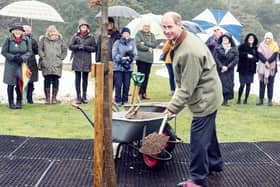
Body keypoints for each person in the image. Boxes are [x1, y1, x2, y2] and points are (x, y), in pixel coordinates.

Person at [162, 12, 224, 187]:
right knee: (208, 133)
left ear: (180, 25)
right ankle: (215, 163)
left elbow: (187, 87)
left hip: (205, 98)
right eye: (164, 27)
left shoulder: (189, 51)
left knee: (198, 139)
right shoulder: (180, 41)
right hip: (209, 93)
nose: (166, 31)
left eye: (170, 27)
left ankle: (198, 179)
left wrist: (172, 108)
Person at [1, 23, 32, 109]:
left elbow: (29, 52)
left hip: (21, 64)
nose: (17, 32)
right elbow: (4, 52)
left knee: (20, 83)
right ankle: (11, 103)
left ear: (22, 32)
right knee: (10, 84)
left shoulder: (26, 40)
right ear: (13, 31)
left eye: (19, 30)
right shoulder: (8, 39)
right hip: (11, 64)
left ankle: (19, 102)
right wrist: (13, 57)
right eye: (16, 30)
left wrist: (22, 58)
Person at [69, 18, 96, 104]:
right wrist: (78, 46)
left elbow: (94, 48)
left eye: (85, 27)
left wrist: (85, 47)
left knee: (85, 79)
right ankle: (78, 96)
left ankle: (84, 96)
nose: (83, 28)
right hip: (77, 59)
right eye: (82, 27)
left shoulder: (91, 37)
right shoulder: (75, 36)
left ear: (87, 28)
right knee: (77, 79)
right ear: (80, 28)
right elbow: (70, 46)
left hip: (86, 60)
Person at [38, 25, 67, 104]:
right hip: (46, 63)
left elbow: (65, 49)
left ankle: (54, 98)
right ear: (48, 32)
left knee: (55, 80)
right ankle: (47, 98)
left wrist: (61, 58)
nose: (52, 33)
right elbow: (40, 49)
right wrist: (43, 57)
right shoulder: (43, 39)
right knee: (47, 80)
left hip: (56, 63)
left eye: (54, 31)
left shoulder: (60, 40)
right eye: (50, 31)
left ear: (56, 32)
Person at [112, 27, 137, 106]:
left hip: (128, 67)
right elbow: (114, 54)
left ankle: (125, 100)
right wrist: (122, 59)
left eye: (127, 33)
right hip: (118, 67)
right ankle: (118, 100)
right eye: (124, 33)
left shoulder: (132, 43)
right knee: (118, 84)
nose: (126, 34)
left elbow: (135, 54)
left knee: (127, 84)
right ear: (122, 34)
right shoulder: (117, 42)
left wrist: (129, 59)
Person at [213, 33, 239, 106]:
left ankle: (226, 100)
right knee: (219, 84)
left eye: (226, 39)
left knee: (228, 85)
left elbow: (236, 59)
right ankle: (218, 100)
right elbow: (215, 58)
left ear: (229, 40)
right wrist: (221, 66)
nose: (225, 40)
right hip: (219, 69)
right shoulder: (217, 48)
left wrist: (228, 67)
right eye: (223, 39)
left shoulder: (234, 49)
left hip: (229, 70)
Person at [135, 22, 157, 99]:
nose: (146, 28)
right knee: (140, 76)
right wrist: (148, 48)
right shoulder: (139, 34)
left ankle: (144, 92)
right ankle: (139, 93)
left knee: (146, 76)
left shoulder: (152, 35)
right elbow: (138, 45)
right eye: (145, 26)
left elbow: (154, 44)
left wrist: (145, 43)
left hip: (149, 59)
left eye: (148, 26)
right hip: (141, 59)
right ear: (142, 26)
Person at [256, 32, 279, 106]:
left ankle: (270, 100)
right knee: (262, 84)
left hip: (272, 68)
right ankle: (261, 100)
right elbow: (260, 55)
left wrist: (268, 62)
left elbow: (275, 55)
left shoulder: (275, 45)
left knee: (270, 84)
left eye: (269, 38)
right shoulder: (261, 45)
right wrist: (265, 62)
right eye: (266, 38)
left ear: (271, 38)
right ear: (264, 38)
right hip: (262, 68)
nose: (267, 39)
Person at [237, 33, 259, 104]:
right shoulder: (242, 46)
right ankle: (239, 99)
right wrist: (246, 55)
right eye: (250, 38)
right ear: (247, 39)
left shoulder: (256, 48)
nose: (251, 39)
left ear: (254, 39)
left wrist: (252, 57)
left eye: (252, 38)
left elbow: (257, 59)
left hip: (251, 69)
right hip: (242, 68)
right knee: (242, 84)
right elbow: (238, 54)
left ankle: (246, 100)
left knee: (248, 85)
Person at [23, 25, 39, 104]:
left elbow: (37, 51)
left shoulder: (33, 40)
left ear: (30, 31)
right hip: (22, 62)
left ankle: (30, 98)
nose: (26, 32)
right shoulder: (20, 40)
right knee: (22, 81)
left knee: (30, 82)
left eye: (28, 30)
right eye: (25, 30)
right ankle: (23, 98)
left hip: (32, 63)